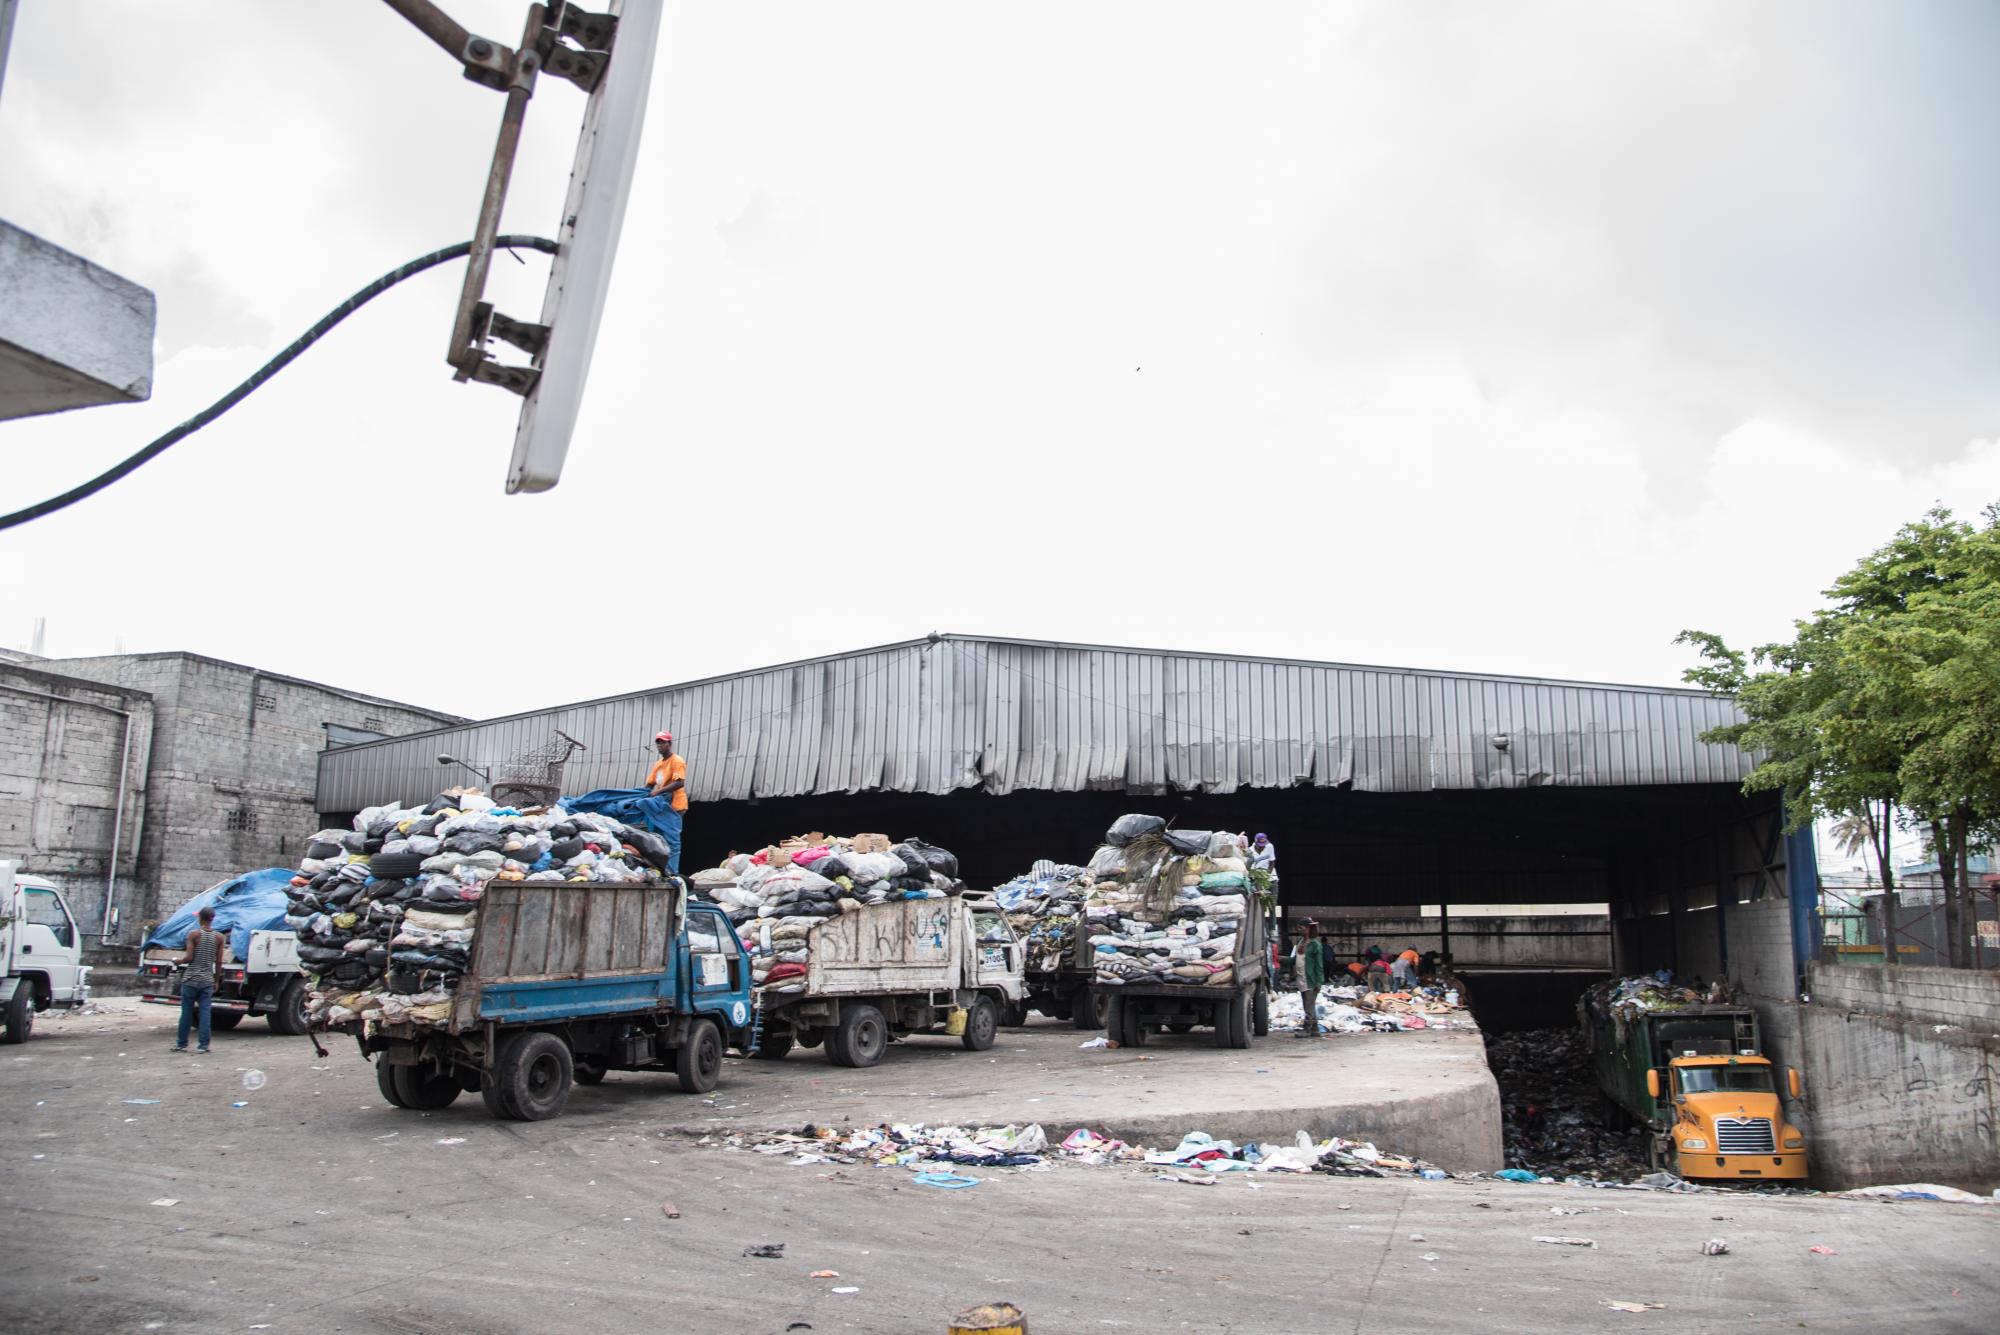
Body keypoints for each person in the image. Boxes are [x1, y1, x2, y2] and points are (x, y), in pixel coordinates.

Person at [171, 907, 227, 1053]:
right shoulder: (219, 937)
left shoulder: (193, 934)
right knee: (205, 1013)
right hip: (207, 980)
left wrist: (178, 961)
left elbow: (189, 958)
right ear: (212, 919)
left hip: (190, 979)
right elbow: (219, 962)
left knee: (186, 1012)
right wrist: (216, 980)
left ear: (200, 918)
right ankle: (203, 1045)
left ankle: (181, 1044)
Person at [646, 730, 688, 874]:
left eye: (663, 742)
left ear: (669, 744)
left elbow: (679, 782)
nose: (660, 745)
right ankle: (660, 870)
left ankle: (672, 872)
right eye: (658, 742)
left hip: (675, 806)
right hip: (662, 807)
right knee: (657, 839)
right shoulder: (658, 764)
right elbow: (649, 785)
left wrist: (657, 792)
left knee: (672, 841)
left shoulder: (677, 761)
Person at [1293, 920, 1325, 1037]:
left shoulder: (1315, 945)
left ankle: (1307, 1029)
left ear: (1308, 928)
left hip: (1310, 979)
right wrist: (1281, 959)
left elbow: (1319, 965)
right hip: (1301, 977)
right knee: (1309, 1004)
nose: (1299, 930)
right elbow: (1295, 959)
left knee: (1309, 1004)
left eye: (1301, 928)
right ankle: (1315, 1029)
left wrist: (1319, 982)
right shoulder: (1300, 942)